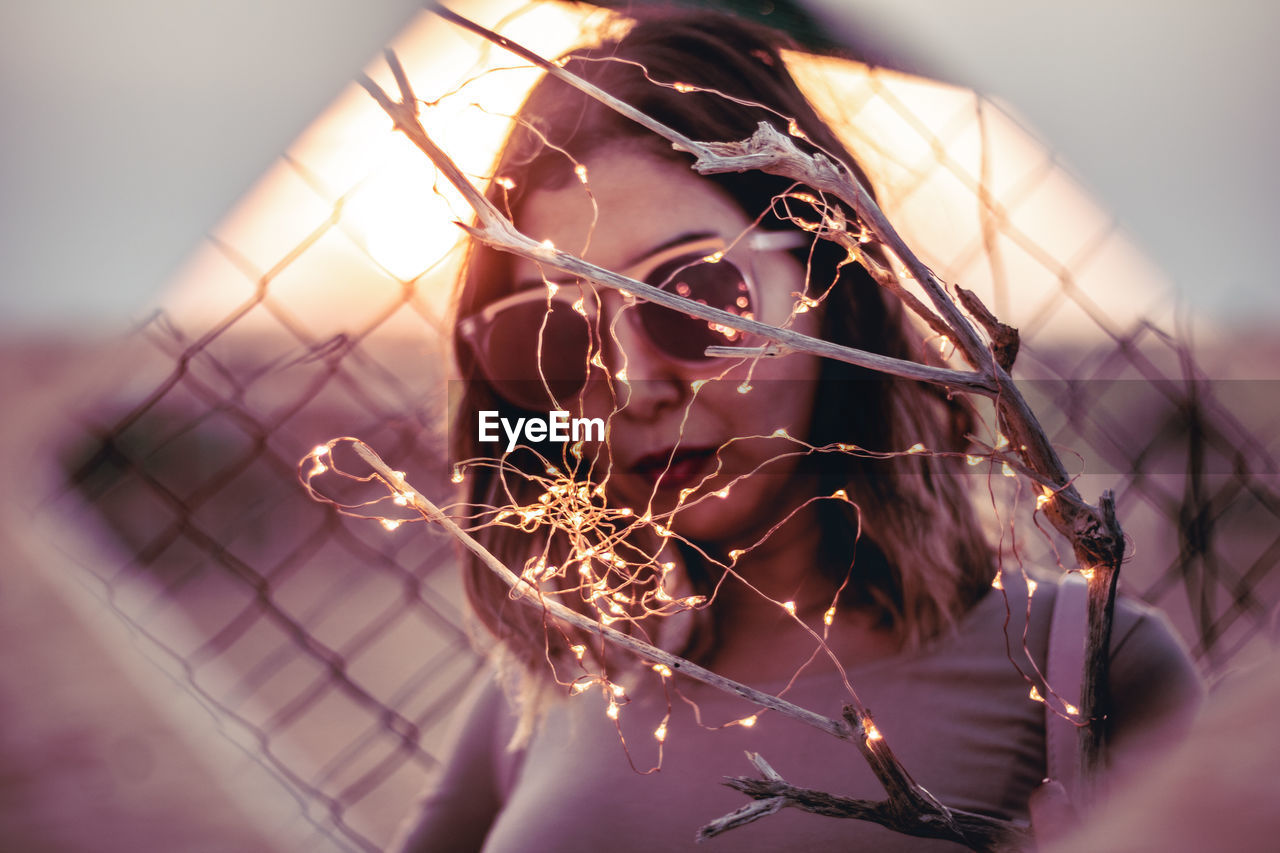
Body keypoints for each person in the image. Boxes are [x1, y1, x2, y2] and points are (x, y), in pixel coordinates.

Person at [396, 8, 1202, 851]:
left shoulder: (1083, 670)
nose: (631, 386)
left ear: (831, 282)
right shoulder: (555, 676)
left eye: (697, 298)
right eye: (551, 336)